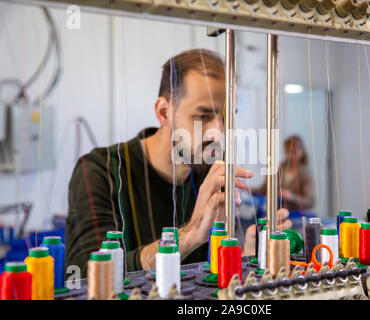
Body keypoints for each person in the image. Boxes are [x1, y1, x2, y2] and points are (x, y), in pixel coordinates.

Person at [65, 49, 291, 277]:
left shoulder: (212, 169)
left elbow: (209, 275)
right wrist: (191, 233)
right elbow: (83, 275)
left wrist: (247, 255)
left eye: (226, 117)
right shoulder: (100, 171)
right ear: (164, 112)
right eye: (202, 116)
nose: (217, 133)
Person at [253, 135, 314, 212]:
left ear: (302, 152)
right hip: (278, 213)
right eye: (288, 151)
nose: (290, 155)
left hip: (296, 215)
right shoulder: (279, 168)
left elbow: (310, 202)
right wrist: (247, 188)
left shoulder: (305, 174)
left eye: (293, 152)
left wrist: (292, 197)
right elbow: (263, 189)